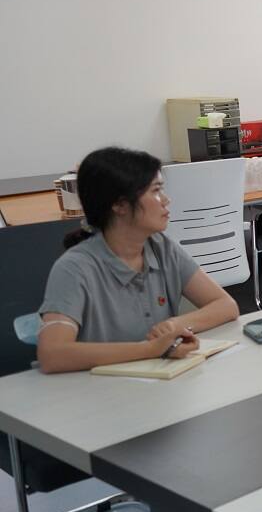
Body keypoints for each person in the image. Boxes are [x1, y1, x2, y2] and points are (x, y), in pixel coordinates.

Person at [37, 147, 240, 374]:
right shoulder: (74, 268)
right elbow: (52, 354)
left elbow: (226, 306)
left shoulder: (162, 248)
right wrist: (150, 349)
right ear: (120, 205)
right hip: (98, 390)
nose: (166, 200)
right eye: (156, 191)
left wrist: (174, 326)